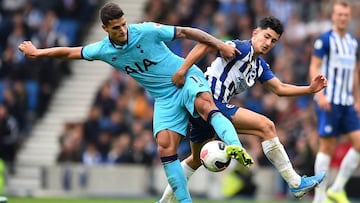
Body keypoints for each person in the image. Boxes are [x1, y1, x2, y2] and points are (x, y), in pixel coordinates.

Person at [18, 2, 254, 203]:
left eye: (123, 24)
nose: (122, 30)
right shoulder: (102, 49)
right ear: (105, 29)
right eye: (115, 28)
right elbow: (71, 52)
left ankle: (234, 145)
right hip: (164, 97)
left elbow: (187, 32)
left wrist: (220, 44)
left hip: (185, 78)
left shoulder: (146, 30)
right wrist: (38, 53)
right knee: (165, 146)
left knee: (205, 106)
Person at [158, 16, 327, 203]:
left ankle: (164, 202)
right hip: (209, 101)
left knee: (196, 159)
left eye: (273, 41)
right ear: (255, 32)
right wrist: (182, 70)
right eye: (266, 36)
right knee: (266, 126)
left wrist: (309, 89)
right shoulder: (241, 48)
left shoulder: (258, 67)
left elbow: (280, 88)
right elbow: (206, 44)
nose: (268, 43)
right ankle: (295, 183)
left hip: (206, 112)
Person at [309, 1, 360, 203]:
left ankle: (337, 188)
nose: (342, 18)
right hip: (328, 100)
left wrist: (357, 98)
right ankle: (320, 196)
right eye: (339, 14)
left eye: (345, 15)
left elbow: (355, 72)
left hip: (347, 102)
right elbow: (314, 67)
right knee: (327, 146)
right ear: (333, 16)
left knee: (359, 143)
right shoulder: (324, 40)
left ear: (349, 17)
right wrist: (320, 95)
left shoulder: (353, 42)